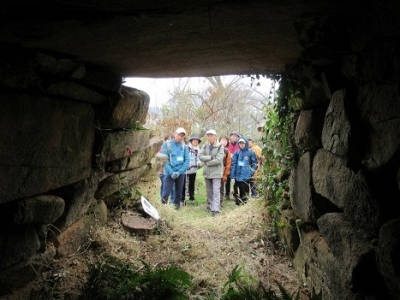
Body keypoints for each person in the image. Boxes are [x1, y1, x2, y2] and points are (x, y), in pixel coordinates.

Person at [160, 127, 190, 210]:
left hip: (181, 173)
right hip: (169, 172)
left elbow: (187, 160)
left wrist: (179, 172)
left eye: (182, 136)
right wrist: (171, 172)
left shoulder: (184, 147)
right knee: (166, 193)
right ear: (175, 134)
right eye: (178, 135)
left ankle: (176, 209)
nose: (180, 137)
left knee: (178, 193)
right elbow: (165, 159)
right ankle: (162, 209)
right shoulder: (167, 144)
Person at [199, 129, 225, 217]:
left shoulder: (220, 146)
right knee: (209, 191)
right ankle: (210, 206)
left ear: (215, 136)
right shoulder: (205, 145)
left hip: (216, 173)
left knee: (216, 191)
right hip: (207, 172)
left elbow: (218, 160)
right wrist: (210, 157)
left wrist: (207, 163)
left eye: (211, 135)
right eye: (208, 135)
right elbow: (200, 156)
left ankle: (216, 209)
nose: (209, 137)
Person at [230, 137, 258, 205]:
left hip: (246, 176)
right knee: (237, 191)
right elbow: (233, 164)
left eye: (243, 143)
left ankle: (244, 203)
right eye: (240, 143)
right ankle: (238, 203)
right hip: (237, 176)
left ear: (245, 143)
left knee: (245, 191)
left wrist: (250, 172)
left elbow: (254, 164)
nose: (241, 145)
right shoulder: (236, 153)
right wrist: (232, 176)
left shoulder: (250, 152)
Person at [156, 133, 176, 204]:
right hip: (162, 172)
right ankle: (163, 201)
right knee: (163, 187)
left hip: (171, 171)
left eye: (171, 140)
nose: (169, 142)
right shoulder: (161, 149)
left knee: (173, 187)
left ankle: (172, 202)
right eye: (168, 140)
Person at [182, 133, 202, 203]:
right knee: (183, 184)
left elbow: (199, 158)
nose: (196, 142)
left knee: (191, 184)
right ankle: (182, 198)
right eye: (194, 140)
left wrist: (199, 163)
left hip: (193, 169)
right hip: (185, 169)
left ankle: (191, 197)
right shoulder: (186, 147)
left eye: (197, 141)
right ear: (191, 141)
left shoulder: (198, 149)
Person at [224, 130, 240, 200]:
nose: (234, 138)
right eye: (233, 136)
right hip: (228, 164)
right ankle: (227, 194)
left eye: (236, 136)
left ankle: (235, 195)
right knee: (227, 180)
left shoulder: (239, 145)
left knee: (236, 180)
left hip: (236, 165)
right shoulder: (228, 144)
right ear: (230, 137)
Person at [218, 135, 232, 207]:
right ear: (219, 140)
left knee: (221, 187)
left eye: (225, 141)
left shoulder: (226, 151)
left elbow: (228, 164)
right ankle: (212, 202)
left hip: (222, 171)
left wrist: (225, 174)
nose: (224, 142)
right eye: (222, 140)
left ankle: (220, 202)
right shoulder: (215, 148)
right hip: (214, 171)